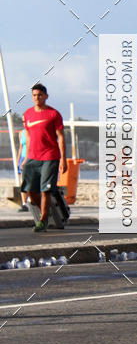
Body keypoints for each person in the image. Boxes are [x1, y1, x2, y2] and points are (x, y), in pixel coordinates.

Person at [20, 83, 67, 233]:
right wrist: (26, 158)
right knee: (30, 190)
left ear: (46, 96)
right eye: (34, 95)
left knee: (45, 190)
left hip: (50, 156)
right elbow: (28, 137)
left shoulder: (54, 114)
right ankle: (45, 212)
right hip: (33, 157)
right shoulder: (28, 114)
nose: (36, 97)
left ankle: (43, 220)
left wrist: (63, 159)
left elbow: (61, 137)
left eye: (39, 95)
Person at [16, 128, 29, 211]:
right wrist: (18, 160)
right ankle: (24, 203)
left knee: (33, 180)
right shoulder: (21, 133)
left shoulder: (34, 131)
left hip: (32, 157)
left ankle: (33, 201)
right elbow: (21, 147)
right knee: (24, 181)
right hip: (23, 158)